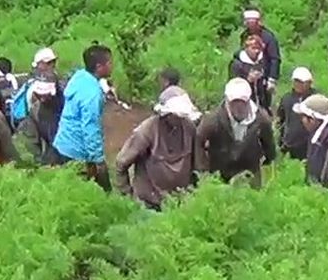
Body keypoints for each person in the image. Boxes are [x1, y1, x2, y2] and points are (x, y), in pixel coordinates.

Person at [114, 86, 202, 210]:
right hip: (149, 204)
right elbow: (121, 163)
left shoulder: (189, 128)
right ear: (165, 114)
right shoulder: (146, 131)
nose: (178, 119)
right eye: (175, 115)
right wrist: (127, 197)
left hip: (180, 202)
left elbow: (198, 165)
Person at [52, 44, 114, 191]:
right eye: (110, 63)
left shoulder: (79, 77)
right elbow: (90, 127)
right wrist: (97, 160)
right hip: (76, 151)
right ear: (99, 66)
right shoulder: (92, 93)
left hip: (62, 143)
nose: (112, 66)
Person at [197, 77, 277, 188]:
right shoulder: (213, 120)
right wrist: (203, 170)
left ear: (248, 100)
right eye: (234, 102)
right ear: (227, 101)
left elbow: (269, 146)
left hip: (250, 174)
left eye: (242, 102)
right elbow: (198, 141)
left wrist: (267, 160)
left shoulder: (261, 119)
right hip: (220, 175)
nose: (239, 107)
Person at [15, 78, 61, 166]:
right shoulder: (35, 110)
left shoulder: (65, 107)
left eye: (46, 95)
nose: (42, 99)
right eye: (39, 95)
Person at [276, 67, 317, 161]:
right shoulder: (287, 99)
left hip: (310, 144)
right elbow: (281, 121)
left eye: (302, 82)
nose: (299, 85)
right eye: (296, 81)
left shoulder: (316, 99)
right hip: (291, 143)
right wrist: (281, 142)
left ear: (309, 83)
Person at [230, 34, 274, 109]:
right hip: (243, 103)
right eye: (253, 48)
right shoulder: (237, 64)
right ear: (246, 48)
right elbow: (233, 84)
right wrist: (248, 80)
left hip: (261, 103)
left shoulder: (263, 62)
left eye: (258, 48)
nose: (256, 51)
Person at [242, 9, 282, 87]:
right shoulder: (244, 35)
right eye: (248, 22)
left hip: (264, 77)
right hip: (247, 76)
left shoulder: (268, 37)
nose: (250, 25)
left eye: (252, 22)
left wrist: (272, 79)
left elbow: (275, 58)